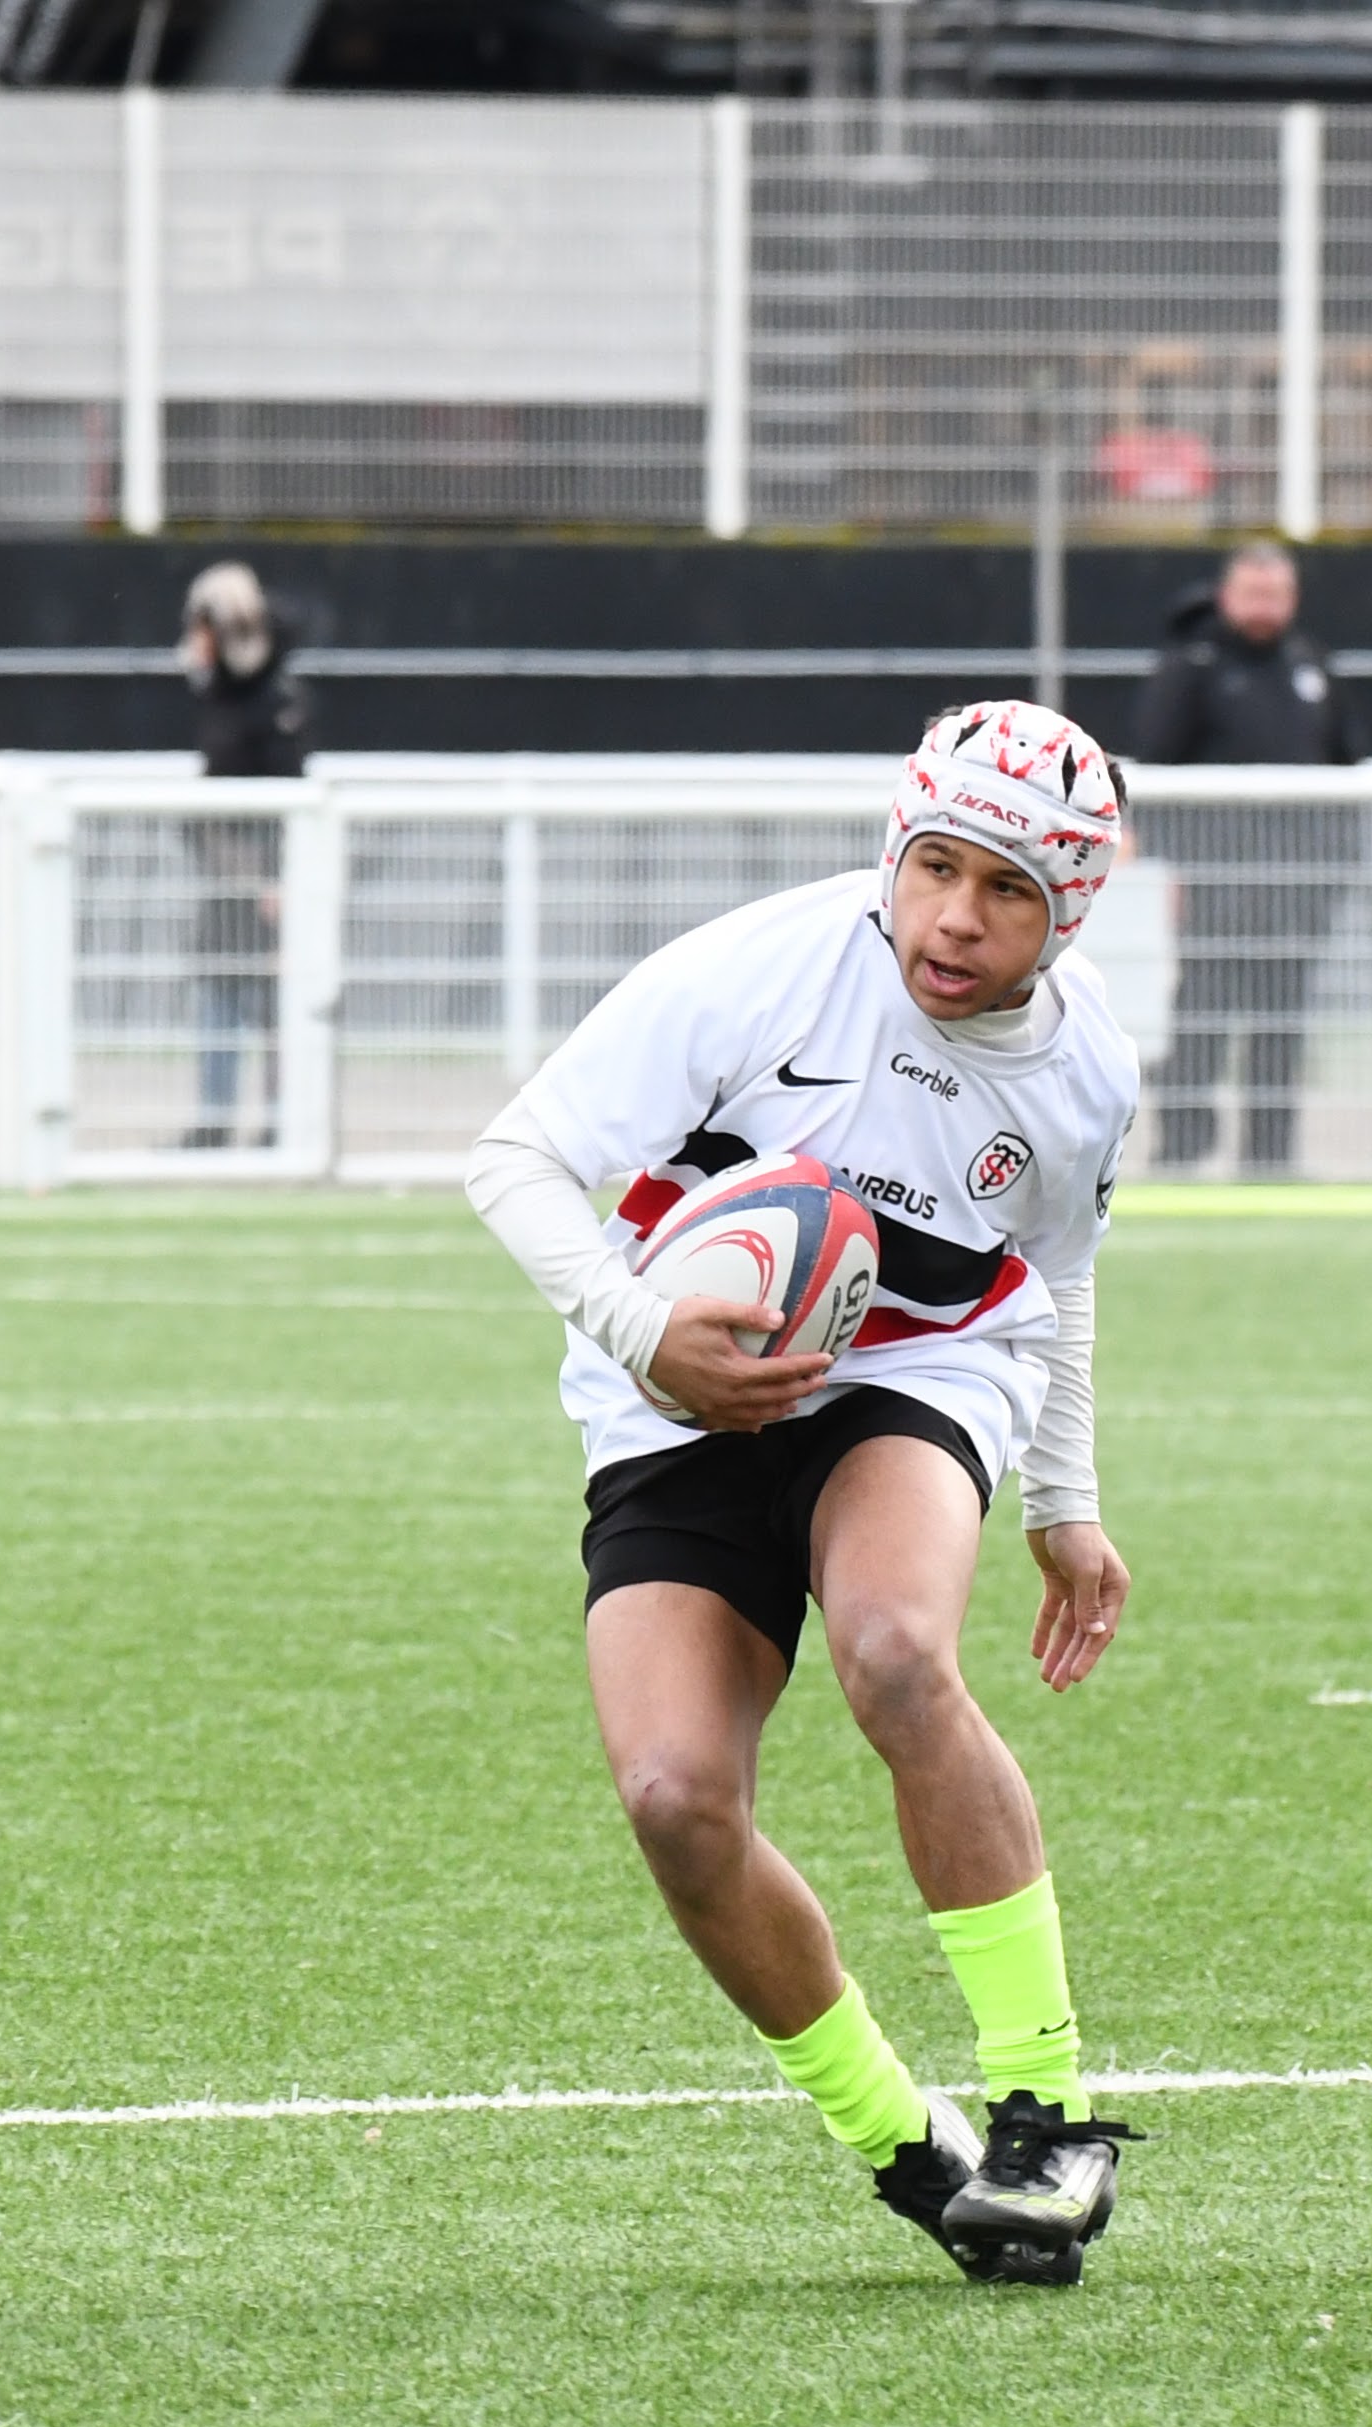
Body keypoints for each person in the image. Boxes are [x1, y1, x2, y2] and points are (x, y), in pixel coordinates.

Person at [462, 700, 1144, 2284]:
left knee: (895, 1649)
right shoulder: (760, 967)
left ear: (1069, 914)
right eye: (936, 868)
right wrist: (645, 1331)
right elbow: (514, 1157)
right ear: (894, 849)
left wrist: (1066, 1499)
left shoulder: (1085, 1066)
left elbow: (1060, 1271)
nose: (956, 918)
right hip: (671, 1387)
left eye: (1009, 890)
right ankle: (909, 2145)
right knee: (675, 1799)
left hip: (927, 1365)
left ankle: (1046, 2117)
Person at [1131, 541, 1364, 1175]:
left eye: (1276, 594)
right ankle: (1182, 1153)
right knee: (1200, 1021)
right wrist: (1171, 872)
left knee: (1281, 1027)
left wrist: (1339, 867)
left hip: (1296, 888)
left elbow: (1347, 766)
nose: (1265, 607)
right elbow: (1154, 771)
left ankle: (1270, 1157)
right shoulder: (1192, 665)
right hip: (1214, 886)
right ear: (1227, 596)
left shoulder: (1310, 664)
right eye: (1253, 593)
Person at [179, 562, 305, 1147]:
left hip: (263, 885)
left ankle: (281, 1126)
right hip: (224, 879)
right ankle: (215, 1120)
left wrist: (275, 881)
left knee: (274, 1004)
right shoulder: (222, 696)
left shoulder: (274, 703)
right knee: (219, 989)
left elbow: (288, 797)